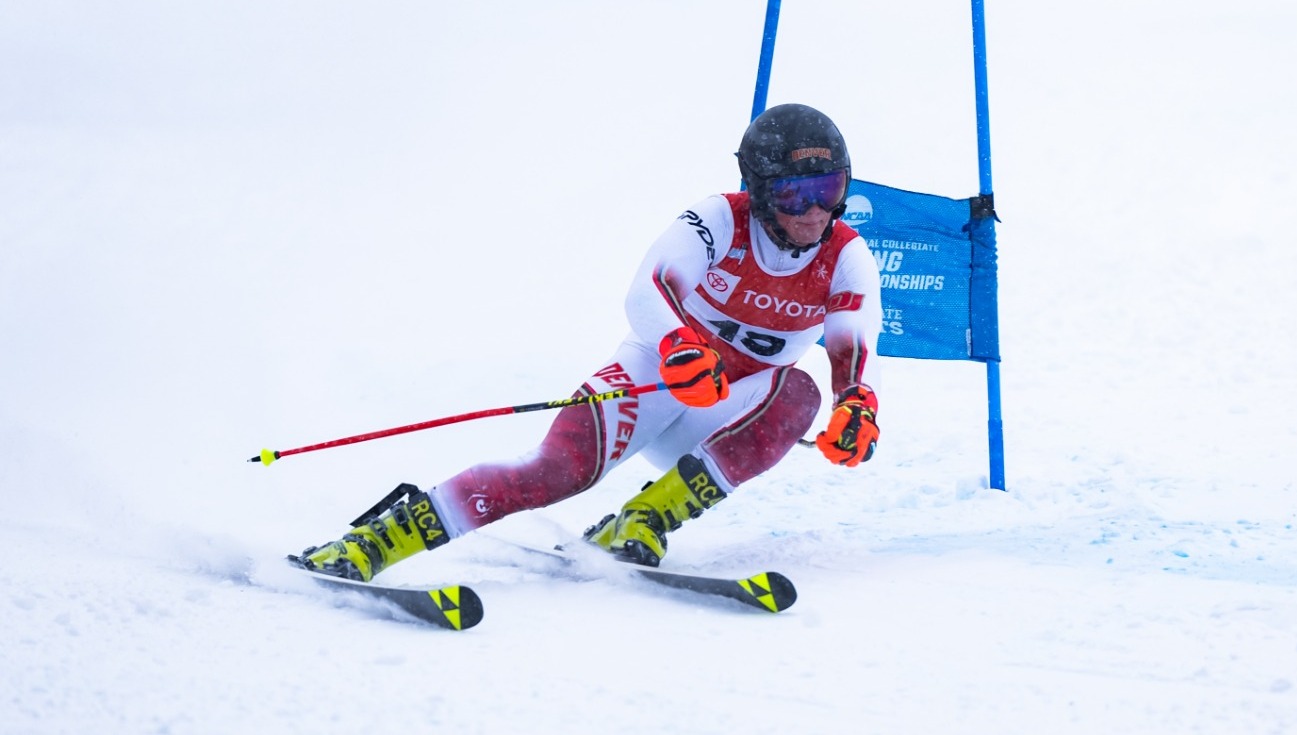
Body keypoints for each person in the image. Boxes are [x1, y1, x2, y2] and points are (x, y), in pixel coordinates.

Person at [293, 103, 884, 580]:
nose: (814, 212)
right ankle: (376, 541)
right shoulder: (718, 220)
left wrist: (858, 407)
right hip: (658, 378)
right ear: (758, 189)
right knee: (555, 471)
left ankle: (644, 519)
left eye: (829, 189)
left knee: (800, 393)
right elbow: (647, 291)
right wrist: (679, 346)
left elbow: (854, 348)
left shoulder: (845, 257)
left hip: (726, 415)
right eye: (794, 194)